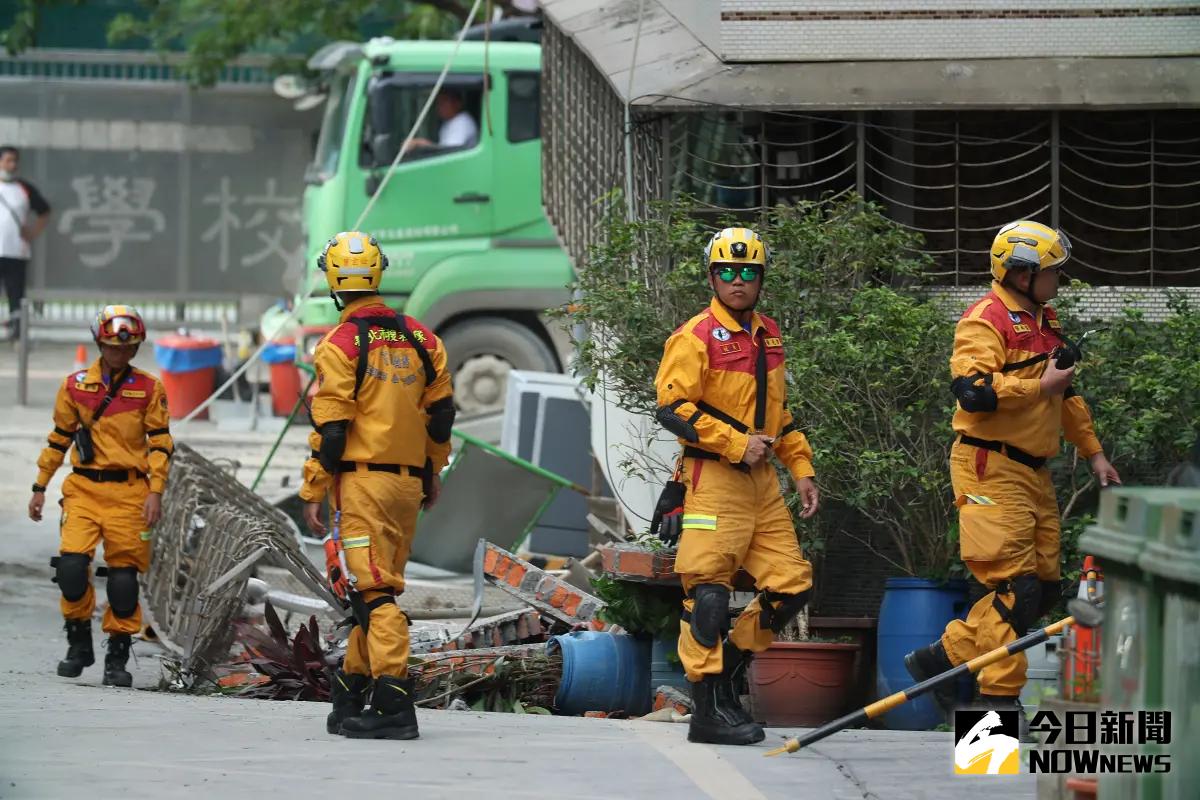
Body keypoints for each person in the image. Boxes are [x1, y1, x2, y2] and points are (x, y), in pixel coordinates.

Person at [905, 220, 1121, 721]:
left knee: (1042, 590)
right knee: (1011, 589)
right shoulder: (985, 320)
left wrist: (1094, 453)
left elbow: (1066, 395)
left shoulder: (1046, 322)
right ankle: (995, 710)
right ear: (1022, 274)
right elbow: (973, 393)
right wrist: (1035, 388)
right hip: (988, 465)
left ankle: (944, 657)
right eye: (1051, 273)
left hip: (1034, 471)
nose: (1058, 281)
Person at [652, 226, 821, 746]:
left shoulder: (768, 334)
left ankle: (726, 670)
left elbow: (779, 414)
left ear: (761, 278)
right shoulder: (695, 335)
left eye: (749, 271)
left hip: (763, 483)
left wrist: (802, 468)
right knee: (707, 592)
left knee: (793, 584)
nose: (738, 280)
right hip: (713, 478)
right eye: (727, 270)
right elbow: (671, 407)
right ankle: (707, 709)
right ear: (712, 276)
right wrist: (733, 442)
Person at [300, 231, 454, 740]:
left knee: (371, 595)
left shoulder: (341, 344)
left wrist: (313, 488)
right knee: (378, 587)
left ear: (333, 281)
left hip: (362, 486)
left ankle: (394, 704)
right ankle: (351, 695)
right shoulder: (423, 339)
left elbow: (333, 430)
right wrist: (432, 473)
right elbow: (441, 416)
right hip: (407, 485)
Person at [28, 305, 173, 687]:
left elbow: (160, 444)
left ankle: (117, 655)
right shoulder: (75, 385)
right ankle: (78, 643)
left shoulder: (149, 388)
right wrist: (40, 487)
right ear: (99, 343)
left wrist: (155, 491)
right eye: (111, 346)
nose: (119, 353)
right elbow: (59, 438)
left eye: (127, 348)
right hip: (84, 490)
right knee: (72, 569)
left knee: (124, 580)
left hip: (130, 492)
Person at [0, 145, 52, 340]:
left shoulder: (24, 188)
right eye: (8, 160)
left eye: (15, 161)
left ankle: (16, 332)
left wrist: (33, 232)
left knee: (16, 294)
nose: (12, 165)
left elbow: (44, 211)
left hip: (16, 251)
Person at [406, 89, 479, 151]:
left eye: (444, 102)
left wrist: (422, 144)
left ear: (457, 103)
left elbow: (449, 151)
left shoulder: (463, 122)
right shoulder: (448, 122)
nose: (439, 107)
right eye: (439, 103)